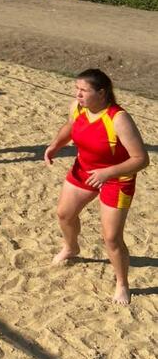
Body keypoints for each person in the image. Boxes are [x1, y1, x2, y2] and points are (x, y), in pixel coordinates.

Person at [44, 68, 149, 305]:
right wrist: (55, 145)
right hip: (85, 169)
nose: (78, 94)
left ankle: (122, 283)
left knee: (111, 238)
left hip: (117, 177)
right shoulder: (78, 107)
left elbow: (141, 159)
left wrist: (107, 172)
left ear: (101, 93)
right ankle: (71, 248)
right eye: (77, 89)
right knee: (64, 214)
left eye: (84, 90)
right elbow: (70, 126)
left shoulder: (119, 118)